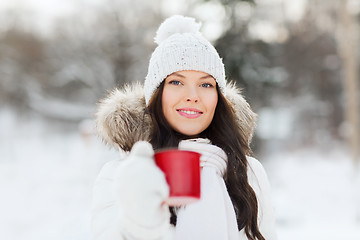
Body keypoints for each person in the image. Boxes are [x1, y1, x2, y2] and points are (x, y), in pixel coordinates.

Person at [92, 15, 277, 240]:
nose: (192, 96)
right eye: (176, 82)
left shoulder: (248, 173)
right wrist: (140, 223)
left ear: (218, 98)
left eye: (206, 84)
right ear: (156, 95)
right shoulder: (122, 174)